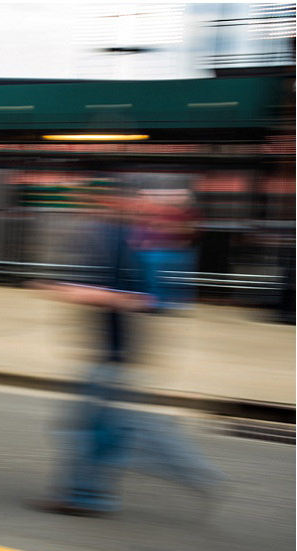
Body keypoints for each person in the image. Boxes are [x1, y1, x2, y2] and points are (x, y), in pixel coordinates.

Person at [30, 177, 222, 517]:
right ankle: (88, 493)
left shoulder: (137, 243)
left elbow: (147, 299)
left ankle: (89, 495)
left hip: (116, 355)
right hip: (112, 353)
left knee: (101, 431)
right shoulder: (119, 237)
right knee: (105, 430)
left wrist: (81, 292)